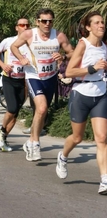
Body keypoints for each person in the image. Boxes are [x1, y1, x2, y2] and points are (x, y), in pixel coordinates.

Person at [10, 8, 74, 162]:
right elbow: (13, 47)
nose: (47, 24)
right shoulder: (29, 34)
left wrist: (63, 56)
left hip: (50, 77)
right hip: (34, 76)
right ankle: (36, 143)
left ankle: (31, 141)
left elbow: (72, 52)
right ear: (37, 22)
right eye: (44, 21)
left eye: (50, 21)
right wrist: (21, 59)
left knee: (42, 113)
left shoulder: (58, 35)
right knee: (42, 107)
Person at [55, 11, 107, 195]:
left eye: (102, 23)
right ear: (88, 27)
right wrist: (92, 68)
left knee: (101, 138)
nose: (101, 25)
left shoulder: (105, 46)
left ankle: (104, 180)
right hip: (81, 93)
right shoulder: (83, 45)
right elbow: (69, 72)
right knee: (77, 137)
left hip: (101, 93)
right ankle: (63, 156)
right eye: (97, 23)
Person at [0, 18, 30, 152]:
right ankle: (2, 131)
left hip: (23, 81)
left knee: (15, 113)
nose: (25, 27)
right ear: (16, 27)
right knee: (12, 108)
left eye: (27, 25)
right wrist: (2, 65)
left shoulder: (31, 43)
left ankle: (3, 138)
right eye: (22, 25)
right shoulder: (8, 41)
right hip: (9, 79)